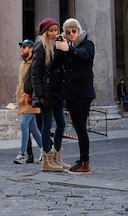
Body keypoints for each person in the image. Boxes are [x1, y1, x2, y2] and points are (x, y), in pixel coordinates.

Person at [57, 18, 95, 175]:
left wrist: (69, 49)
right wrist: (61, 47)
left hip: (83, 94)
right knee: (78, 128)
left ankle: (85, 163)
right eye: (68, 32)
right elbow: (58, 63)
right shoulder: (69, 47)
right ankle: (82, 160)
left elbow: (84, 55)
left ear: (79, 31)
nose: (71, 33)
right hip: (72, 94)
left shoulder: (87, 44)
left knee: (81, 128)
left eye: (74, 31)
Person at [31, 18, 68, 172]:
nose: (54, 33)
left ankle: (56, 157)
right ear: (45, 32)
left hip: (57, 92)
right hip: (46, 94)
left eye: (55, 30)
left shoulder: (55, 45)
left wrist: (63, 50)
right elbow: (35, 73)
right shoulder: (40, 46)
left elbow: (59, 67)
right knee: (47, 125)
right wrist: (40, 94)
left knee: (61, 124)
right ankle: (46, 159)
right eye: (51, 30)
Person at [15, 39, 43, 164]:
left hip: (30, 100)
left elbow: (36, 81)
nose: (22, 49)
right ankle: (46, 151)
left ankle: (22, 153)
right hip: (22, 100)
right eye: (21, 47)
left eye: (24, 47)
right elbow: (20, 82)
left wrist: (32, 95)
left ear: (31, 49)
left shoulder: (35, 63)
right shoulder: (22, 63)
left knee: (24, 124)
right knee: (34, 129)